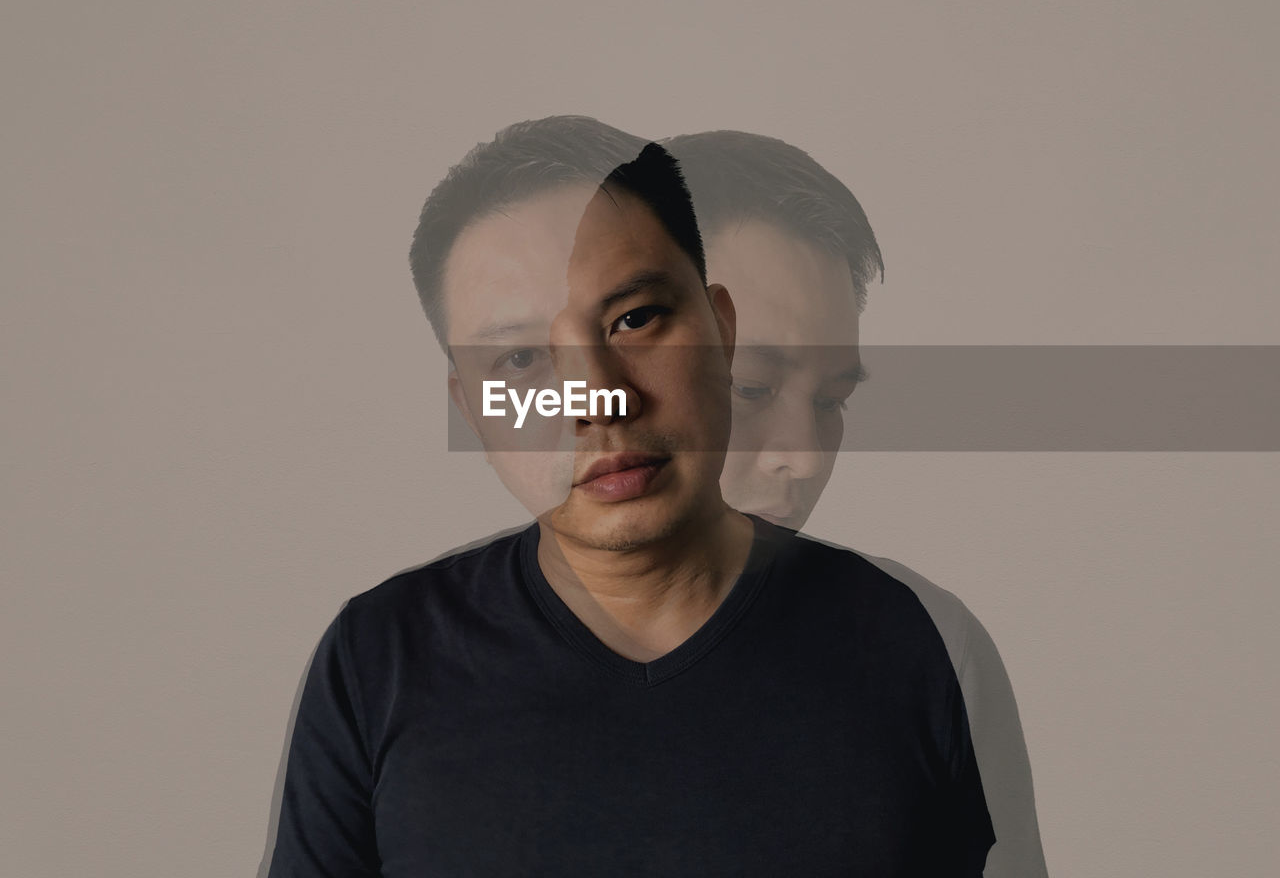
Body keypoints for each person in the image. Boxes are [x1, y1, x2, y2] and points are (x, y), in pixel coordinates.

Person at [266, 116, 995, 876]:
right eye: (519, 359)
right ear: (474, 409)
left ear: (720, 327)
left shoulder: (916, 645)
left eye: (636, 320)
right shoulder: (378, 657)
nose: (599, 401)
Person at [667, 129, 1048, 878]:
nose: (804, 457)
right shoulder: (404, 659)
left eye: (832, 400)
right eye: (751, 389)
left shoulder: (930, 648)